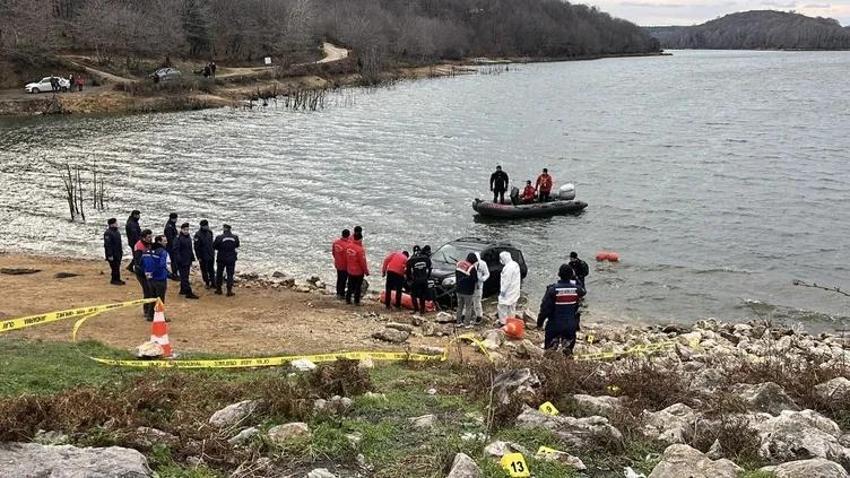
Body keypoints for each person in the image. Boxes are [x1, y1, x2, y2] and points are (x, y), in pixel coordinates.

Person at [537, 264, 586, 355]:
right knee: (567, 352)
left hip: (554, 325)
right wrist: (575, 277)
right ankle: (567, 365)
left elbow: (545, 309)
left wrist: (539, 323)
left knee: (550, 352)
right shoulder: (577, 290)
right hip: (570, 325)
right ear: (571, 275)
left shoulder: (552, 290)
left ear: (559, 274)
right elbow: (583, 291)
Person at [142, 235, 170, 313]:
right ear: (159, 242)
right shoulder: (162, 252)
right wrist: (167, 273)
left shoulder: (147, 250)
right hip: (160, 278)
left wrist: (148, 272)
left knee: (152, 297)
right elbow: (162, 265)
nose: (166, 242)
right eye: (164, 241)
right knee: (160, 298)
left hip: (150, 278)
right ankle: (160, 316)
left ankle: (150, 315)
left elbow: (141, 263)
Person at [171, 222, 198, 299]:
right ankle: (189, 292)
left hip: (187, 260)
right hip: (182, 261)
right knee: (184, 278)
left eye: (187, 229)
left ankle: (183, 290)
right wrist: (179, 260)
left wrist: (192, 258)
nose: (186, 231)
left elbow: (190, 249)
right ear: (181, 230)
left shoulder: (188, 237)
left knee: (185, 276)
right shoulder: (178, 238)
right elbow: (175, 250)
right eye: (185, 229)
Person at [213, 224, 240, 296]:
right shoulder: (235, 237)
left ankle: (219, 289)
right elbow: (237, 245)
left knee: (219, 273)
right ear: (230, 229)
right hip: (231, 258)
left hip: (221, 257)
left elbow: (214, 246)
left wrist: (221, 249)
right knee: (230, 274)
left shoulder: (219, 237)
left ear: (224, 229)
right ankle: (229, 291)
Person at [133, 229, 154, 319]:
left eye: (151, 236)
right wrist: (145, 272)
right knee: (147, 291)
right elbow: (138, 263)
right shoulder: (139, 247)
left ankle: (150, 309)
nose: (151, 238)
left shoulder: (149, 244)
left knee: (151, 291)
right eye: (149, 237)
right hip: (141, 273)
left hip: (149, 271)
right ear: (144, 238)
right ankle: (146, 310)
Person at [455, 253, 479, 327]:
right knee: (468, 307)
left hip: (458, 289)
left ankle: (458, 322)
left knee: (460, 306)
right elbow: (475, 280)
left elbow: (456, 275)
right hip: (468, 291)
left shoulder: (459, 264)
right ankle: (467, 324)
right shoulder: (472, 268)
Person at [407, 246, 432, 315]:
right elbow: (430, 268)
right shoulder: (426, 258)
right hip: (424, 279)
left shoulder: (411, 259)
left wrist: (409, 279)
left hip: (416, 279)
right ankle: (422, 310)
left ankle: (416, 309)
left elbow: (408, 271)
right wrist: (427, 277)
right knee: (422, 295)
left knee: (413, 295)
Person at [345, 231, 369, 305]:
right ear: (360, 239)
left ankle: (348, 300)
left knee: (350, 285)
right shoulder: (360, 250)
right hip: (358, 272)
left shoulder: (348, 247)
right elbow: (363, 262)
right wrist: (366, 271)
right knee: (358, 287)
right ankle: (356, 301)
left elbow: (346, 257)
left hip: (350, 270)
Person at [497, 251, 521, 324]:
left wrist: (502, 292)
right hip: (515, 290)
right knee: (512, 307)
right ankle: (511, 322)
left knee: (501, 306)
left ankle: (503, 322)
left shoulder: (508, 268)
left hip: (508, 291)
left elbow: (506, 282)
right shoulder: (515, 264)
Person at [194, 220, 215, 289]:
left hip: (210, 254)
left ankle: (213, 282)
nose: (206, 227)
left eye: (207, 225)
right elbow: (196, 247)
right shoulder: (198, 235)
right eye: (205, 226)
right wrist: (198, 257)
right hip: (203, 255)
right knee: (204, 270)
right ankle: (207, 282)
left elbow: (212, 243)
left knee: (211, 269)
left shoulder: (210, 232)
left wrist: (213, 252)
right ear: (202, 226)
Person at [103, 218, 124, 285]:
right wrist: (110, 255)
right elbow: (107, 245)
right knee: (114, 267)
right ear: (111, 224)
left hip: (118, 252)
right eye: (115, 223)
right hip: (113, 253)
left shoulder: (116, 231)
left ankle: (117, 278)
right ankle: (114, 279)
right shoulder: (108, 233)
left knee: (117, 266)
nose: (117, 224)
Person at [332, 229, 351, 299]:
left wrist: (337, 259)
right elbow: (348, 257)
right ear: (348, 235)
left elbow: (333, 253)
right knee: (344, 279)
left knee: (339, 278)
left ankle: (338, 292)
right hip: (345, 265)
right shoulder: (348, 245)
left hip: (337, 263)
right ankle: (342, 294)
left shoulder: (336, 243)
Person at [472, 251, 490, 322]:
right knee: (468, 301)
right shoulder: (470, 263)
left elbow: (487, 274)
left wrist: (483, 279)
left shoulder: (483, 264)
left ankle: (479, 316)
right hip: (470, 285)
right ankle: (467, 315)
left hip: (479, 285)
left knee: (477, 301)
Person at [164, 213, 179, 279]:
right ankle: (174, 274)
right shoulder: (169, 227)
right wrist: (174, 246)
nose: (176, 220)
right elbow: (170, 239)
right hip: (171, 246)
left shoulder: (171, 225)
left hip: (172, 246)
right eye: (176, 218)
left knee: (174, 260)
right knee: (174, 260)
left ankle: (175, 273)